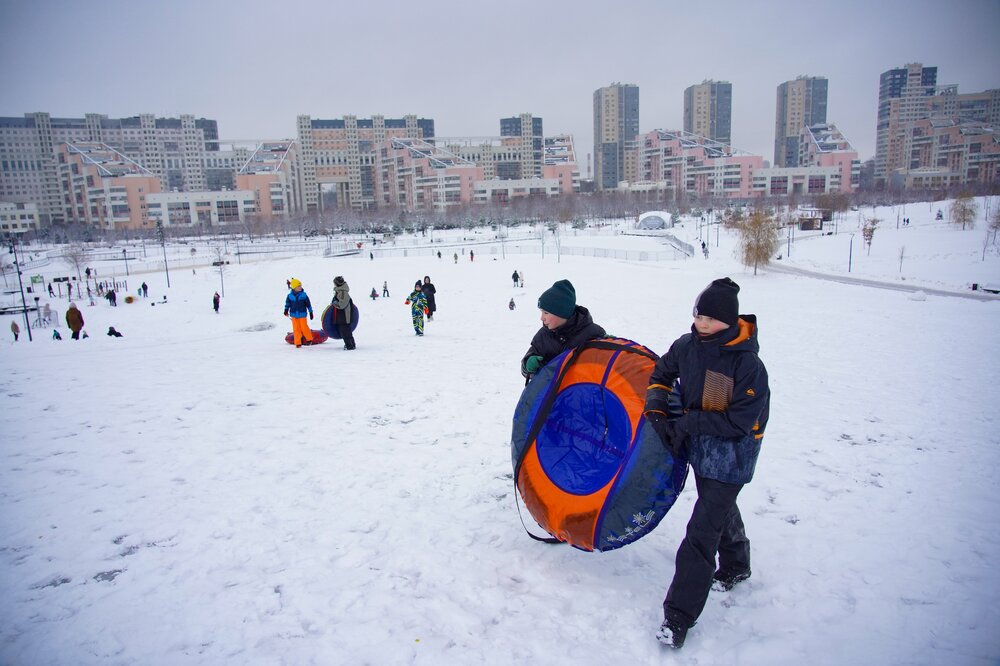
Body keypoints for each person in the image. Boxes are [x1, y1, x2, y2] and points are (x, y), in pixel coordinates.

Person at [643, 278, 770, 650]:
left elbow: (736, 423)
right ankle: (736, 564)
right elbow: (662, 373)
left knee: (701, 532)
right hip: (701, 449)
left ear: (728, 323)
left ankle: (677, 617)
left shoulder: (747, 365)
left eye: (710, 319)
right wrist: (656, 407)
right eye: (699, 315)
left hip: (732, 456)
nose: (701, 324)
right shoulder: (687, 346)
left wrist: (685, 423)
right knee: (718, 510)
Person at [520, 279, 605, 382]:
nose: (542, 318)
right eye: (541, 312)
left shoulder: (592, 332)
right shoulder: (543, 335)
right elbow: (526, 368)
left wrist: (609, 344)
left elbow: (604, 366)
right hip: (551, 394)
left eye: (546, 313)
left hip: (580, 392)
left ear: (561, 313)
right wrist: (527, 364)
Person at [283, 278, 314, 348]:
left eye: (300, 286)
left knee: (304, 327)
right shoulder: (290, 296)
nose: (300, 287)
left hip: (302, 314)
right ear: (294, 287)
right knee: (296, 329)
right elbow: (287, 304)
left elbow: (308, 304)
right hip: (294, 315)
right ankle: (297, 342)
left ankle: (309, 339)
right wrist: (286, 310)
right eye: (298, 286)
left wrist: (311, 312)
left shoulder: (304, 295)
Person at [331, 275, 356, 350]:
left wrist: (334, 303)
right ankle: (351, 344)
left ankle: (350, 345)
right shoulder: (340, 291)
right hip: (343, 316)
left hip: (344, 316)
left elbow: (341, 305)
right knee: (347, 331)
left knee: (345, 332)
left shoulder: (342, 292)